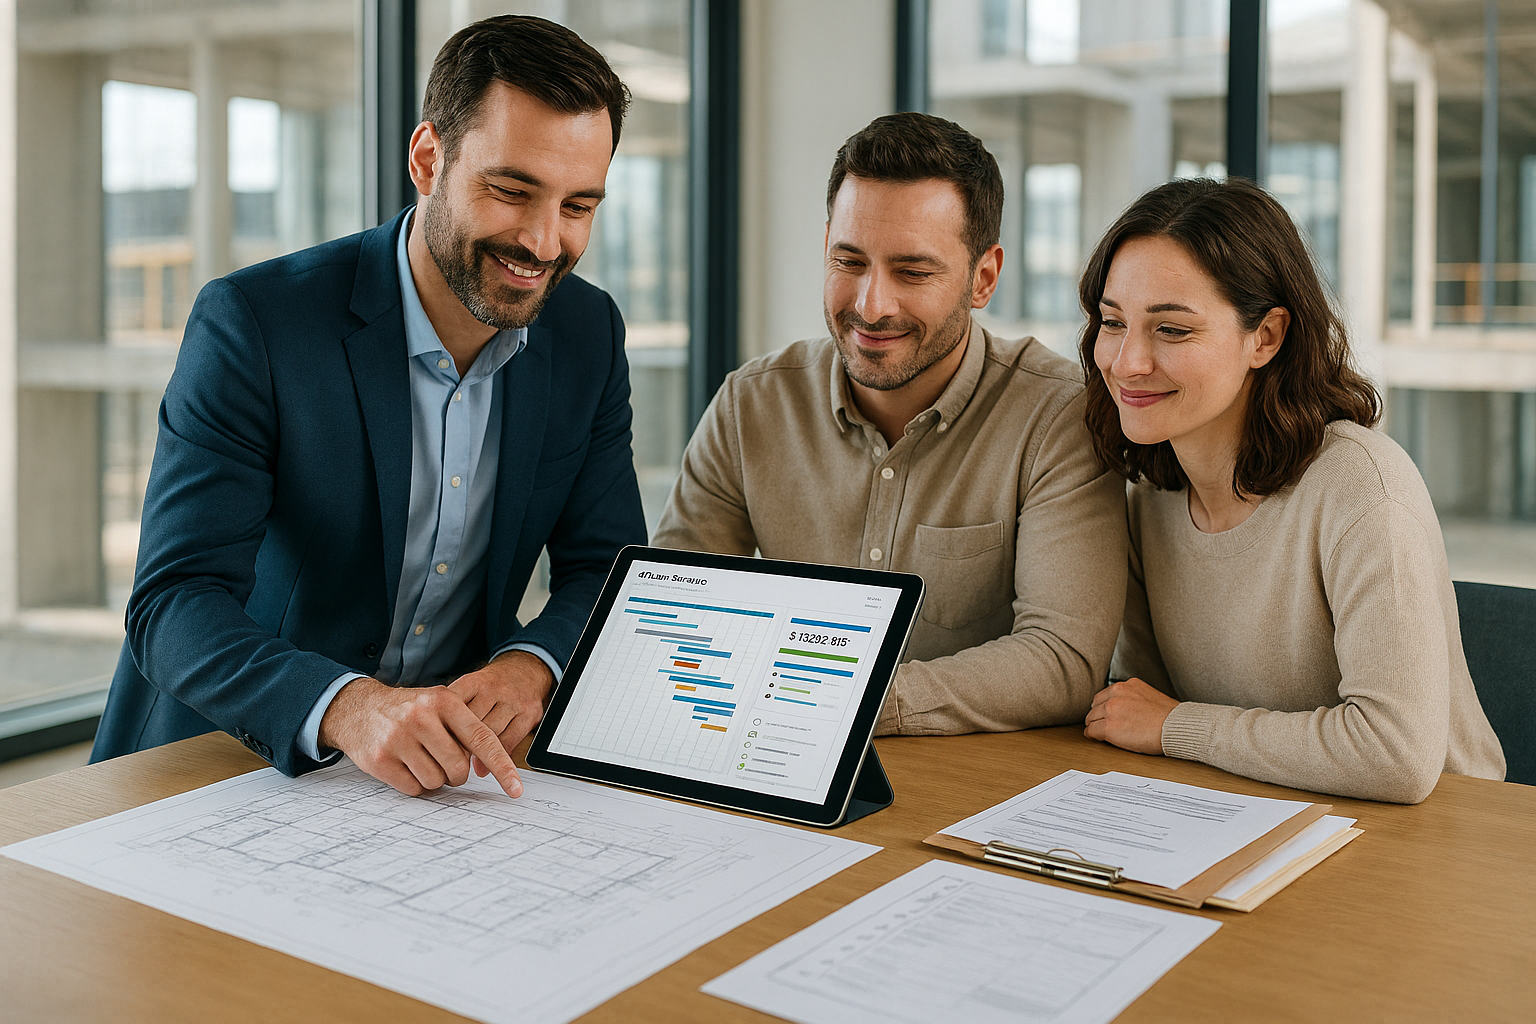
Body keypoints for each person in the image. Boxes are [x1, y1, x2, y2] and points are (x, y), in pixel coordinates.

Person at [91, 16, 647, 799]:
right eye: (512, 191)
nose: (544, 241)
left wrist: (533, 664)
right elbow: (174, 602)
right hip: (232, 764)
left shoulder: (588, 334)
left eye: (578, 206)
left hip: (447, 780)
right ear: (429, 159)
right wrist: (348, 707)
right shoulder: (256, 323)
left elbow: (608, 566)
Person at [654, 113, 1126, 735]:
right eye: (849, 261)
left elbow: (1062, 661)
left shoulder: (1059, 415)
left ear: (983, 277)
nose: (872, 306)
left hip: (970, 786)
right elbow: (674, 614)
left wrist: (833, 701)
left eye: (913, 272)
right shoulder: (751, 404)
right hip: (771, 760)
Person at [1080, 176, 1505, 803]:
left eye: (1172, 330)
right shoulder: (1149, 499)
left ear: (1266, 337)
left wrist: (1179, 727)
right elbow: (1136, 712)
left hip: (1439, 843)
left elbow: (1395, 754)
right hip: (1259, 815)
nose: (1126, 361)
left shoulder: (1361, 487)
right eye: (1113, 323)